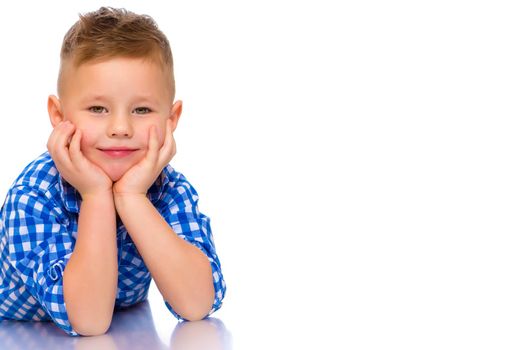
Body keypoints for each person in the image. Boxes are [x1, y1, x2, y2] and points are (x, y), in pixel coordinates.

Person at [0, 6, 226, 336]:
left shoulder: (170, 189)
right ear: (58, 114)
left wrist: (132, 197)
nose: (120, 127)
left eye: (142, 109)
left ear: (171, 119)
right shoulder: (33, 196)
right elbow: (90, 320)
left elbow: (196, 304)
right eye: (97, 108)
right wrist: (95, 195)